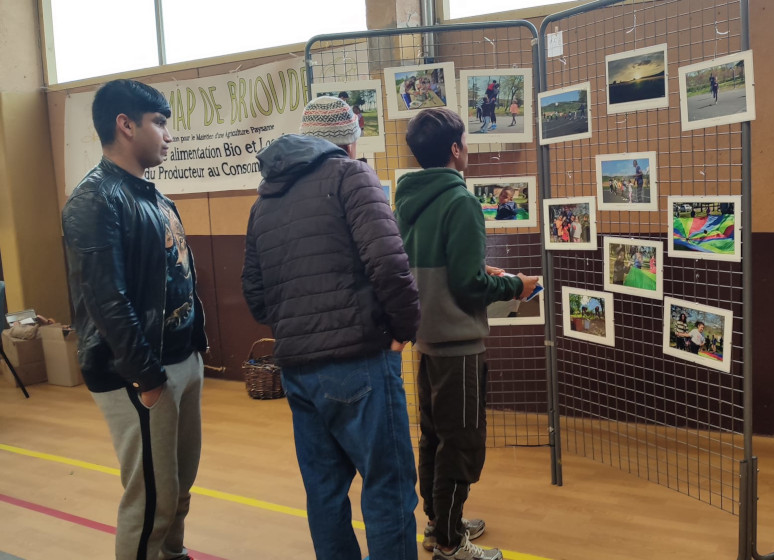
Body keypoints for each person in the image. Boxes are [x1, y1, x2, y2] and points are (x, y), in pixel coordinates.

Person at [241, 96, 421, 560]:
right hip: (359, 361)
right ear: (351, 136)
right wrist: (405, 327)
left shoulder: (265, 200)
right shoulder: (351, 175)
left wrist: (300, 323)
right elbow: (389, 262)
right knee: (388, 485)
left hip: (298, 370)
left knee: (324, 492)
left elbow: (255, 295)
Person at [61, 79, 208, 560]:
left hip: (181, 360)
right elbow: (107, 300)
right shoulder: (94, 199)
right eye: (159, 123)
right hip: (139, 372)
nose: (169, 135)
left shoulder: (152, 196)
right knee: (150, 501)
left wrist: (195, 348)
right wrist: (146, 377)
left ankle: (173, 554)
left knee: (180, 486)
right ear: (126, 125)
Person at [394, 107, 540, 560]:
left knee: (435, 437)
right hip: (458, 343)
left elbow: (431, 271)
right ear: (456, 149)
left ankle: (441, 522)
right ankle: (451, 545)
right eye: (466, 142)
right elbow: (468, 285)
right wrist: (517, 286)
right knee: (461, 443)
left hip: (428, 338)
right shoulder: (461, 201)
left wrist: (480, 270)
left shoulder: (407, 199)